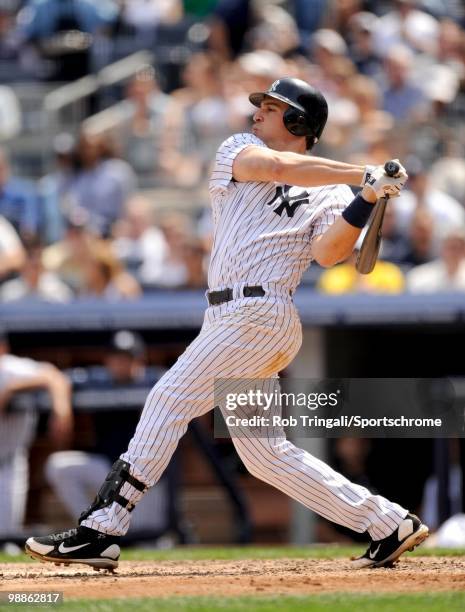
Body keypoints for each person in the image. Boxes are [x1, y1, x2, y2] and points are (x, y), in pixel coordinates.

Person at [25, 77, 428, 570]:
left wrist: (364, 198)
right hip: (231, 317)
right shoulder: (241, 148)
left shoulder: (329, 196)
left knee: (168, 397)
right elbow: (279, 167)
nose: (258, 112)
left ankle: (103, 525)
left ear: (299, 122)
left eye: (273, 107)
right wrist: (361, 173)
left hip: (259, 313)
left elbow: (330, 254)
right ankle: (388, 522)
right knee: (265, 456)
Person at [45, 331, 169, 537]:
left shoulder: (157, 380)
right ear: (107, 360)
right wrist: (62, 407)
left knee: (148, 536)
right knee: (59, 467)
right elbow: (59, 378)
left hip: (146, 474)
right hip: (107, 467)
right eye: (116, 358)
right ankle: (91, 529)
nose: (121, 363)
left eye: (127, 358)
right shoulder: (97, 379)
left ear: (139, 360)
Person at [0, 328, 73, 536]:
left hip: (9, 463)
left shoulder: (12, 369)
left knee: (6, 537)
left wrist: (61, 409)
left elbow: (55, 377)